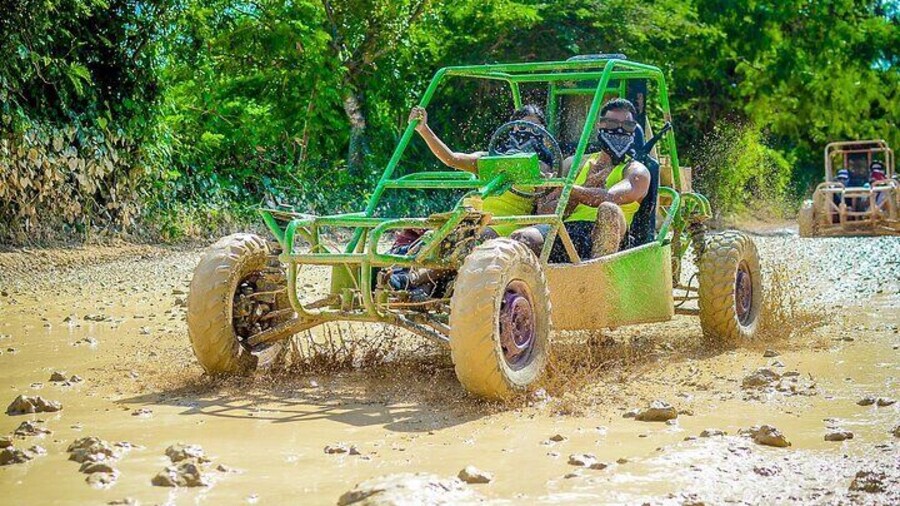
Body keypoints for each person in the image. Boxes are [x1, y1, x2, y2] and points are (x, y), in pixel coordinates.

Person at [387, 104, 550, 295]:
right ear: (511, 127)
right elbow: (451, 159)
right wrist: (423, 128)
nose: (527, 132)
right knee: (440, 236)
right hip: (471, 217)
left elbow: (543, 208)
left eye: (534, 127)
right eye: (522, 126)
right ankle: (417, 287)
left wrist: (545, 185)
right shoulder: (489, 158)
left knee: (474, 239)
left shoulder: (542, 168)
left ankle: (410, 280)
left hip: (505, 223)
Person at [509, 98, 651, 262]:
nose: (619, 130)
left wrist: (571, 189)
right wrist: (582, 189)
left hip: (612, 236)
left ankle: (597, 278)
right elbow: (546, 212)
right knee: (521, 238)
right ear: (600, 125)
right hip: (569, 231)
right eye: (612, 124)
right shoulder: (574, 163)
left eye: (627, 126)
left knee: (608, 209)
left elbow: (610, 197)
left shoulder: (636, 170)